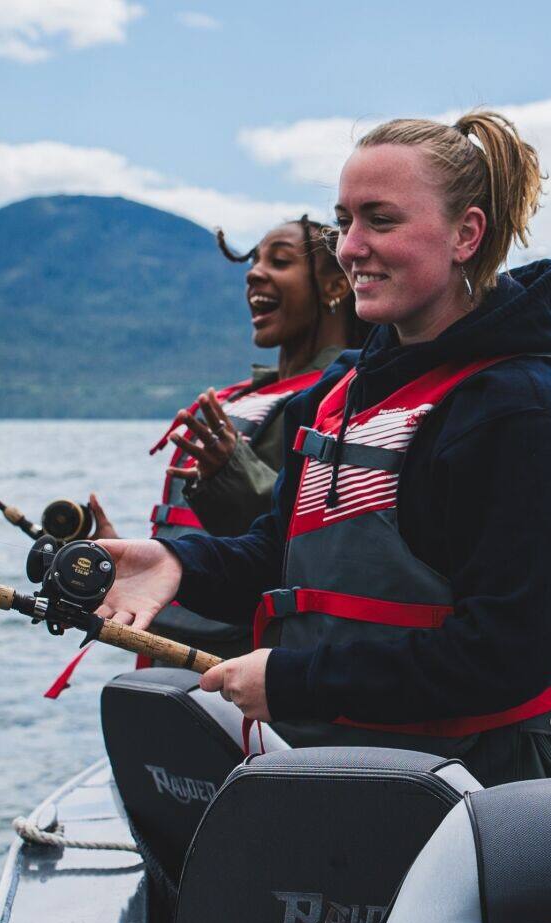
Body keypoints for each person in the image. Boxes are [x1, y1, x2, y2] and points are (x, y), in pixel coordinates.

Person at [94, 110, 551, 786]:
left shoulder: (525, 415)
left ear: (466, 234)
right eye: (344, 221)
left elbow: (503, 655)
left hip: (495, 790)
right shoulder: (341, 396)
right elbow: (277, 557)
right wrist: (173, 564)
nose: (351, 247)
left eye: (381, 220)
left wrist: (293, 680)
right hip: (358, 771)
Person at [87, 217, 364, 659]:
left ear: (336, 286)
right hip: (172, 646)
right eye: (254, 261)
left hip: (243, 666)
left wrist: (230, 473)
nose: (254, 273)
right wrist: (118, 558)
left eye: (279, 261)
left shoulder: (344, 401)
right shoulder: (248, 397)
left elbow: (310, 548)